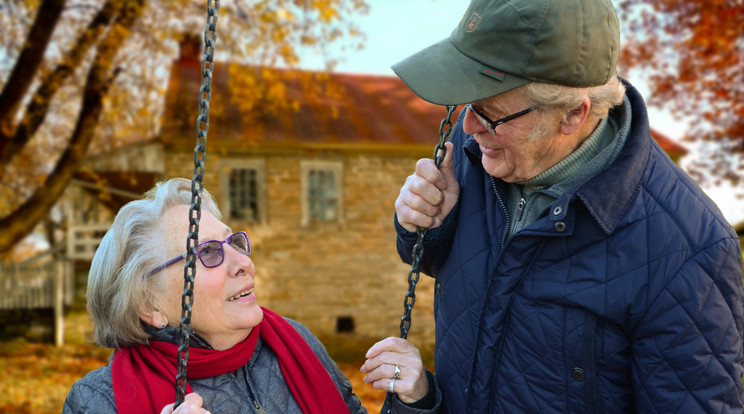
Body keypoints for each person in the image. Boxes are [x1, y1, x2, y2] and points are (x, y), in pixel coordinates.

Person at [390, 0, 744, 412]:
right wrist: (426, 227)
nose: (469, 127)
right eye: (469, 103)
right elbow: (458, 272)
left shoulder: (687, 249)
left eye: (491, 113)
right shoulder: (479, 151)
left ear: (574, 114)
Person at [63, 177, 441, 414]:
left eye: (234, 242)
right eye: (207, 252)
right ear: (148, 305)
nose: (243, 262)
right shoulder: (97, 401)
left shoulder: (294, 344)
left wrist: (416, 401)